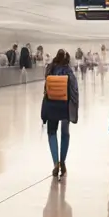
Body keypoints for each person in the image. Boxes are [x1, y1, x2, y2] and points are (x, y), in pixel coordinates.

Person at [41, 49, 79, 178]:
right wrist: (74, 108)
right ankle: (62, 162)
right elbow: (74, 90)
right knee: (65, 133)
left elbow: (45, 89)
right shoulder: (68, 71)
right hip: (64, 106)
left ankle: (55, 162)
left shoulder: (50, 69)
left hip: (52, 106)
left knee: (51, 132)